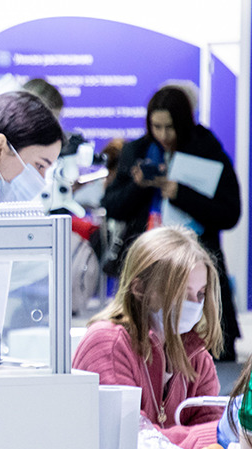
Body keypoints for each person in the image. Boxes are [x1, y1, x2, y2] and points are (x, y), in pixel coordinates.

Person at [101, 85, 241, 360]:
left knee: (205, 354)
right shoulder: (137, 151)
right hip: (147, 264)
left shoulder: (207, 149)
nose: (164, 135)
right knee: (143, 351)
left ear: (184, 123)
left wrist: (181, 194)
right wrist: (139, 186)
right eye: (157, 127)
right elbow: (113, 207)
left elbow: (230, 213)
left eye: (170, 127)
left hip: (196, 260)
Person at [72, 227, 224, 449]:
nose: (195, 304)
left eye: (201, 294)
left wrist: (224, 433)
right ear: (140, 289)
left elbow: (215, 445)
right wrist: (214, 434)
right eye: (182, 293)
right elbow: (131, 441)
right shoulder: (108, 344)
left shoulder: (196, 356)